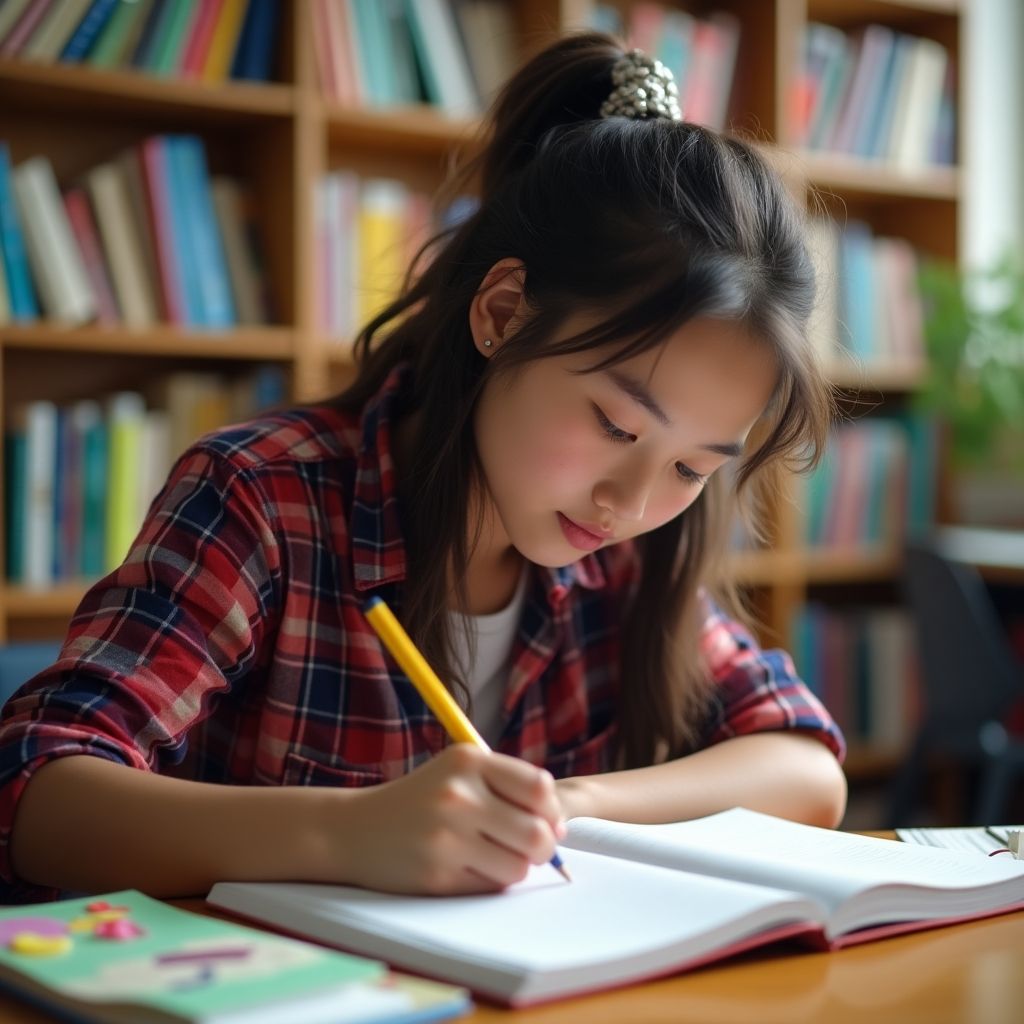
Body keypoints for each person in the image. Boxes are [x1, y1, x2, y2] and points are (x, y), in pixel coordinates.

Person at [0, 33, 846, 903]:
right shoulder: (264, 496)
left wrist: (568, 807)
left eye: (694, 468)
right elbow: (35, 793)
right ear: (505, 313)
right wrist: (350, 832)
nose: (630, 501)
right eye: (616, 426)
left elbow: (805, 767)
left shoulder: (627, 552)